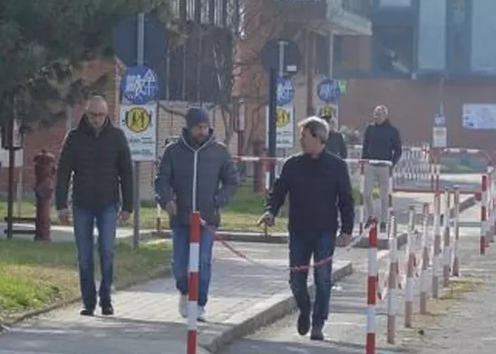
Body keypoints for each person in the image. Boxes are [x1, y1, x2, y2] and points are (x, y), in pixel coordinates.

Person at [258, 116, 355, 341]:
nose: (300, 139)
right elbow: (279, 191)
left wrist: (347, 230)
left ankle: (318, 324)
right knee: (296, 280)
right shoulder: (293, 165)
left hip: (325, 231)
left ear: (318, 137)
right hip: (299, 230)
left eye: (304, 135)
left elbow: (346, 200)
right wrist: (271, 211)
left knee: (323, 278)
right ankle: (304, 309)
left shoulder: (336, 166)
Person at [155, 107, 240, 322]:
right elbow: (162, 180)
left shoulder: (219, 151)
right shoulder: (174, 151)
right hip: (181, 218)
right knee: (179, 264)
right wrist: (167, 200)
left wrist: (218, 200)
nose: (203, 131)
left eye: (205, 127)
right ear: (189, 127)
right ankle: (184, 292)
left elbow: (232, 181)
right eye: (199, 127)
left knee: (203, 263)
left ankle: (200, 303)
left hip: (207, 219)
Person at [55, 95, 134, 317]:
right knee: (85, 255)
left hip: (109, 203)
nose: (97, 119)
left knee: (107, 251)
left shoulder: (117, 137)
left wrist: (128, 205)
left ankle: (106, 298)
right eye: (93, 114)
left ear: (106, 114)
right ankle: (88, 301)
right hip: (82, 204)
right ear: (86, 114)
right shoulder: (74, 138)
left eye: (101, 115)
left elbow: (126, 172)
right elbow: (63, 172)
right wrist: (61, 204)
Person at [361, 105, 402, 231]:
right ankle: (371, 216)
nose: (377, 116)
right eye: (375, 113)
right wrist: (364, 160)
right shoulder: (370, 128)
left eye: (380, 114)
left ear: (385, 115)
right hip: (371, 165)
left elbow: (398, 150)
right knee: (366, 193)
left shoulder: (392, 131)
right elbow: (365, 145)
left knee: (384, 196)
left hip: (384, 166)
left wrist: (392, 164)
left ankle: (384, 220)